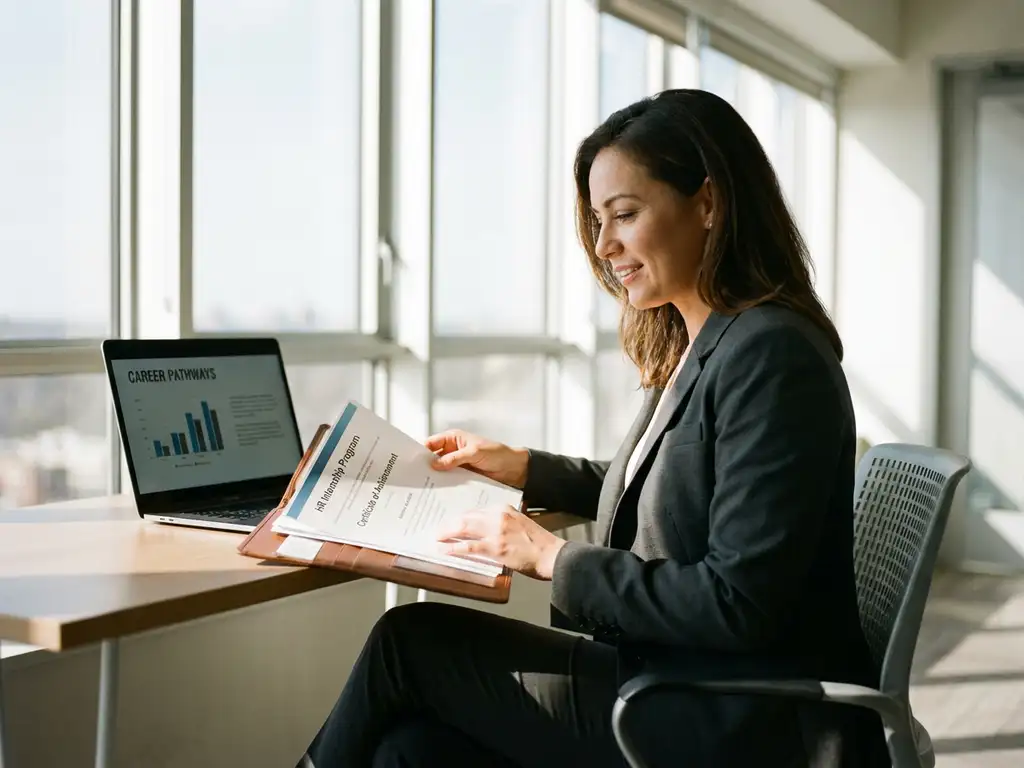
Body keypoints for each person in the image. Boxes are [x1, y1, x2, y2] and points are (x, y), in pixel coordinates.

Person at [304, 89, 889, 767]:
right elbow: (682, 488)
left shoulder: (771, 354)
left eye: (625, 214)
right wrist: (527, 467)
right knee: (409, 753)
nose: (606, 245)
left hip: (734, 717)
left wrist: (552, 559)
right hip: (682, 681)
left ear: (708, 202)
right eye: (598, 219)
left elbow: (739, 602)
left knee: (407, 643)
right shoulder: (704, 343)